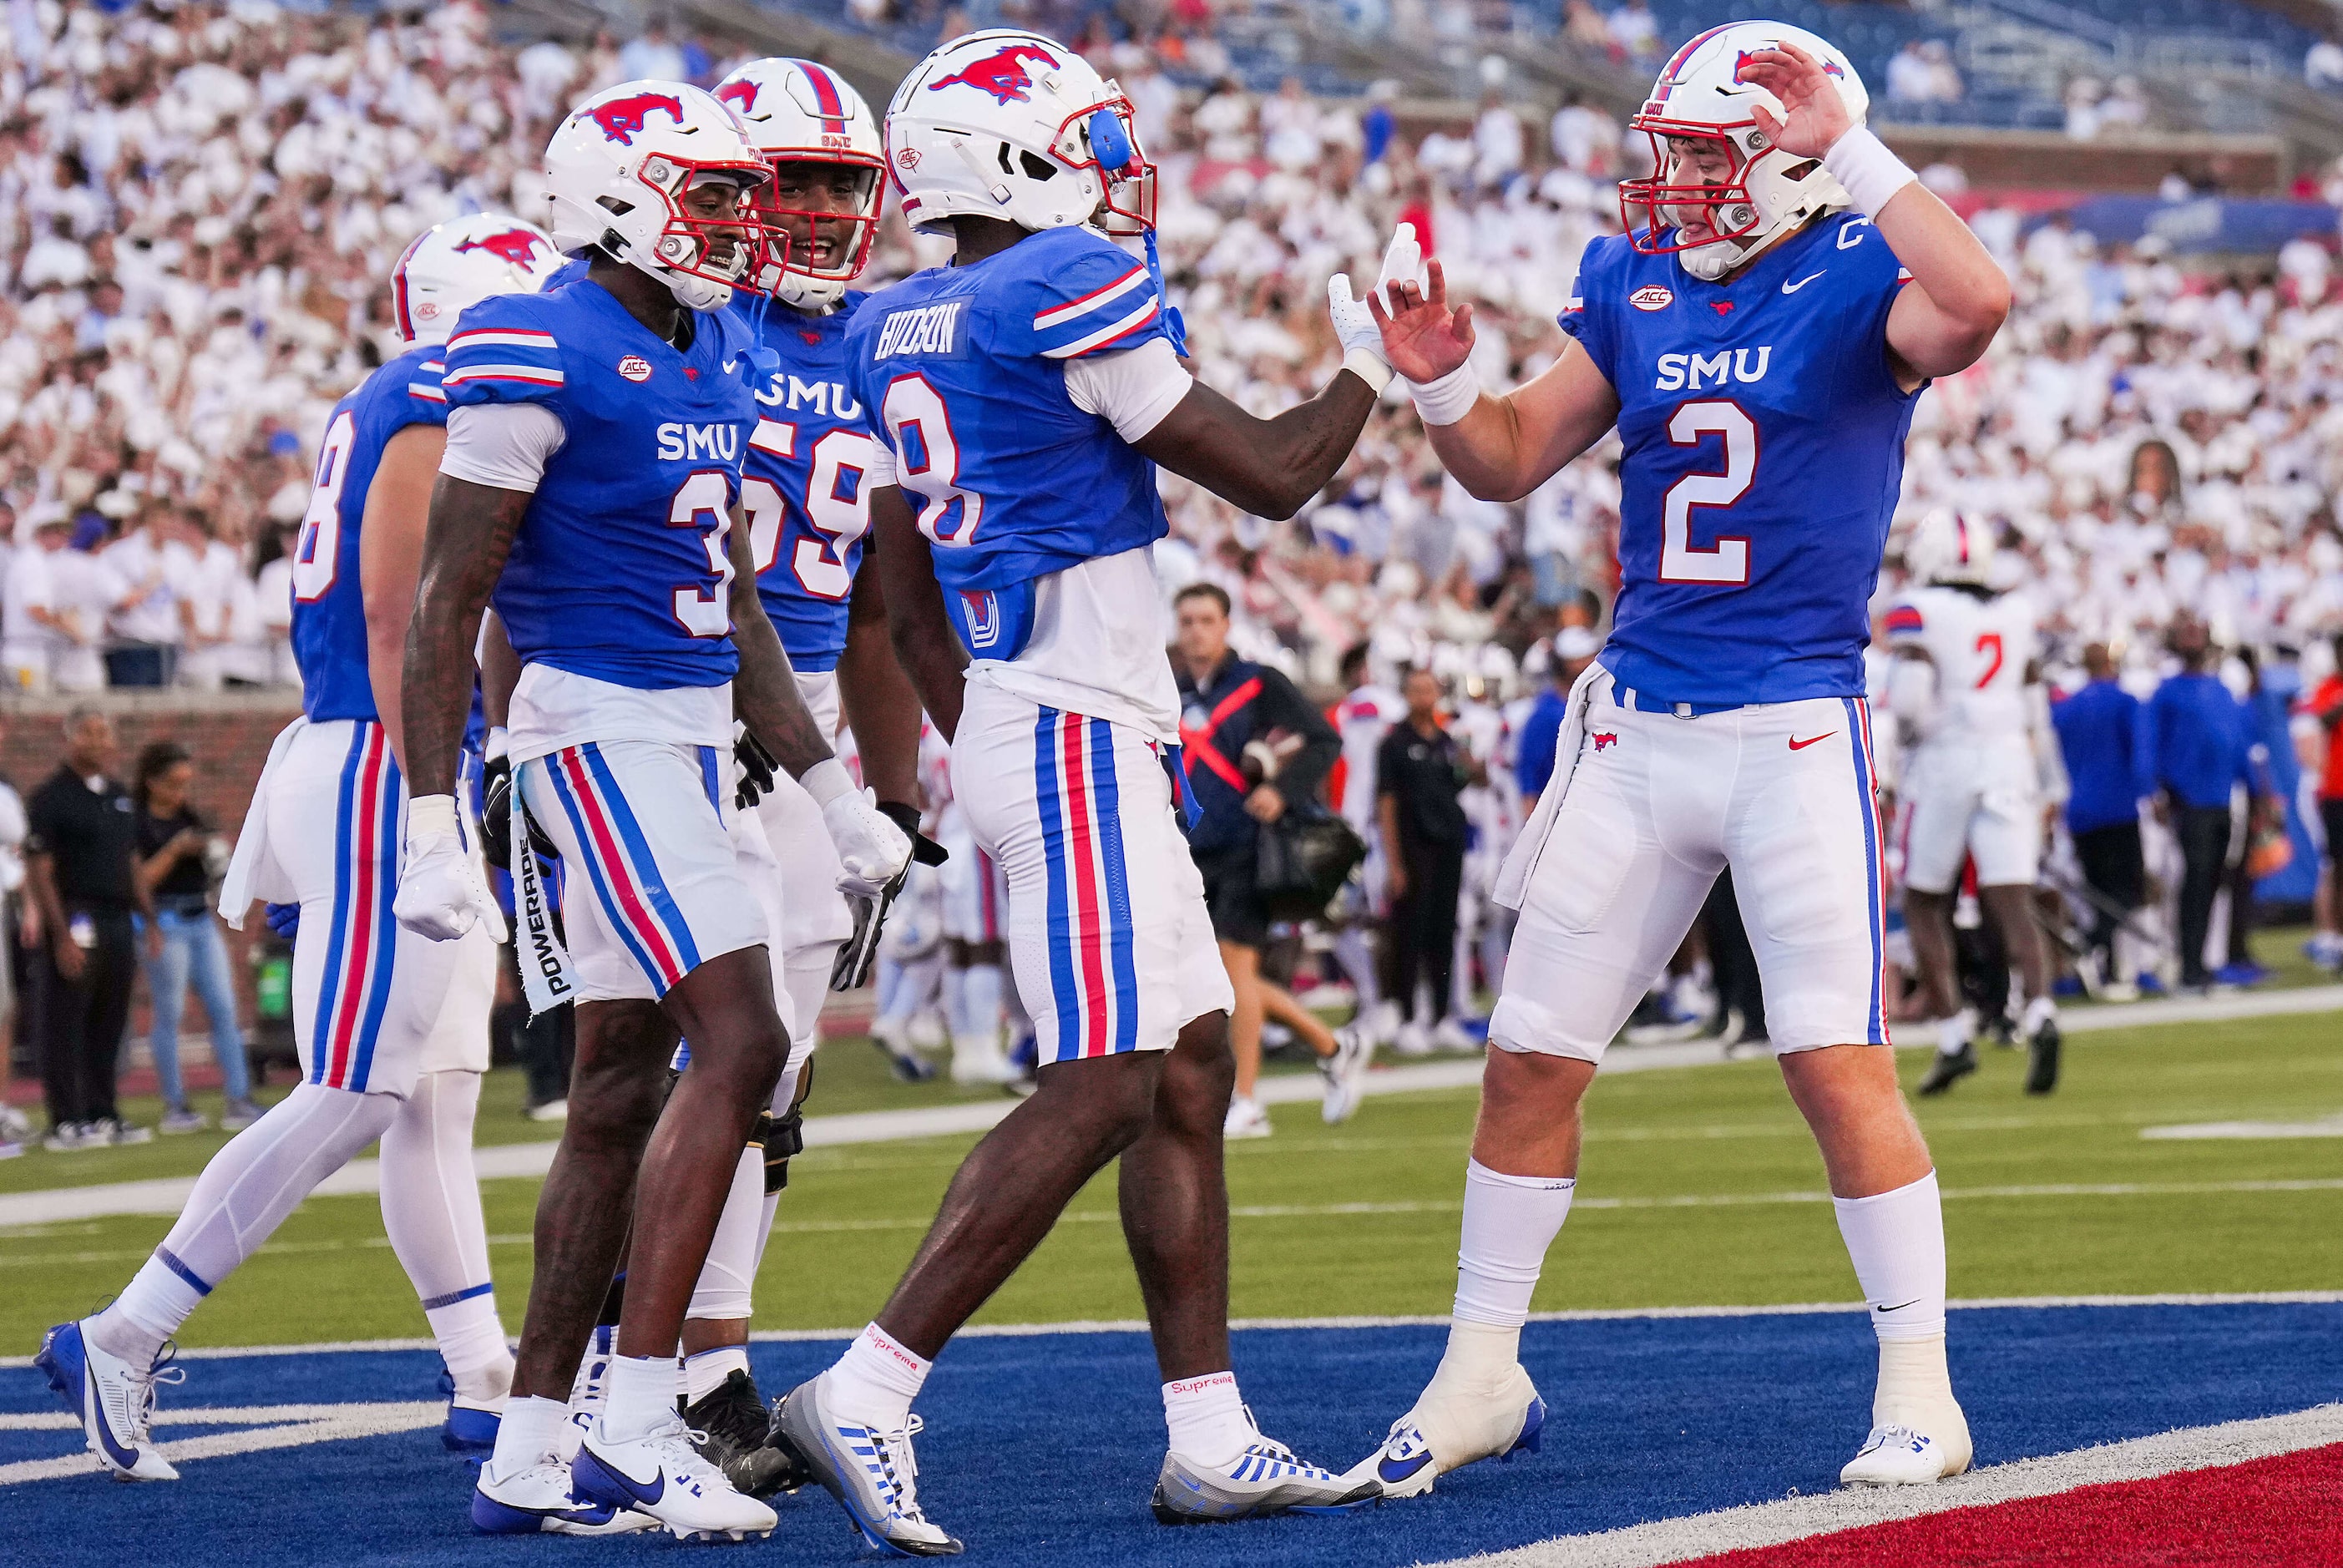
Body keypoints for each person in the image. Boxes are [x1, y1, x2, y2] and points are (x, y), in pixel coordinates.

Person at [1357, 23, 2009, 1491]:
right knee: (1527, 1060)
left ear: (1793, 157)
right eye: (1675, 152)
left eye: (1711, 154)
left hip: (1790, 726)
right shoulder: (1632, 276)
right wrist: (1447, 387)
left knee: (1834, 1063)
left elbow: (1976, 300)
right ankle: (1479, 1370)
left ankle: (1921, 1386)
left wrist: (1851, 145)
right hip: (1636, 724)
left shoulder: (1855, 266)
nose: (1679, 183)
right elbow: (1514, 452)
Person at [783, 29, 1395, 1551]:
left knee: (1190, 1062)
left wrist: (983, 723)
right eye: (1083, 141)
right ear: (1011, 158)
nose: (1111, 170)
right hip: (1065, 731)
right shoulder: (1054, 284)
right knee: (1115, 1072)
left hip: (1030, 716)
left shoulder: (895, 320)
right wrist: (1372, 373)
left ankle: (1209, 1433)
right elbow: (1265, 469)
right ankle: (869, 1380)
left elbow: (899, 604)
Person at [396, 85, 908, 1543]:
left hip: (689, 731)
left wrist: (832, 786)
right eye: (715, 195)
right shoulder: (533, 332)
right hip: (594, 723)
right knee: (740, 1039)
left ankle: (528, 1447)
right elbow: (451, 598)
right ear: (617, 195)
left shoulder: (710, 348)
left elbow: (739, 596)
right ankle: (637, 1419)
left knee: (621, 1082)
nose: (742, 224)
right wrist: (438, 812)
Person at [32, 215, 565, 1490]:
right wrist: (438, 789)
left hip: (383, 746)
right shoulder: (439, 389)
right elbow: (403, 613)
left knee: (432, 1097)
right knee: (357, 1088)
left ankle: (483, 1373)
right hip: (391, 753)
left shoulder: (399, 390)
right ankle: (121, 1332)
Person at [660, 53, 942, 1490]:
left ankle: (711, 1361)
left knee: (771, 1084)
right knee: (673, 1070)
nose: (827, 206)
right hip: (679, 732)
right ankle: (632, 1373)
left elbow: (884, 606)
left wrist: (884, 797)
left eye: (845, 179)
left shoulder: (886, 343)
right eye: (797, 178)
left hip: (804, 757)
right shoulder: (694, 327)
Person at [1170, 581, 1369, 1139]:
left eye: (1206, 619)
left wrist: (1282, 790)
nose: (1195, 630)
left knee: (1233, 973)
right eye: (1186, 621)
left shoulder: (1257, 681)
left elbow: (1322, 740)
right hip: (1190, 848)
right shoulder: (1170, 688)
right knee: (1215, 982)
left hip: (1248, 845)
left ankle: (1248, 1101)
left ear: (1227, 625)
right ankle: (1333, 1045)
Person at [1884, 511, 2062, 1098]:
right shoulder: (2016, 611)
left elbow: (1910, 700)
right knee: (2013, 898)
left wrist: (1914, 740)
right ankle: (2039, 1012)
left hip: (1946, 757)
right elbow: (2034, 699)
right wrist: (2043, 778)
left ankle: (1954, 1036)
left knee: (1925, 900)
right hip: (2010, 754)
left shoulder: (1918, 608)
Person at [23, 707, 154, 1151]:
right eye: (90, 733)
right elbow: (41, 870)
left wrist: (150, 919)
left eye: (105, 733)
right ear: (71, 738)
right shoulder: (51, 797)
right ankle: (66, 1118)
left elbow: (131, 861)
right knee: (65, 1017)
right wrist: (61, 936)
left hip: (118, 916)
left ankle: (104, 1110)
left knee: (110, 1017)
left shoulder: (118, 795)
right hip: (77, 913)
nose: (99, 742)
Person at [131, 741, 260, 1135]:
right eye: (173, 783)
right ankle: (175, 1103)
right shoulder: (138, 822)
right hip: (163, 918)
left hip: (200, 917)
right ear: (152, 782)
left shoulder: (193, 817)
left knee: (224, 1007)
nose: (180, 793)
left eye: (185, 784)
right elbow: (141, 880)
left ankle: (239, 1096)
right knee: (170, 1013)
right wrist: (175, 851)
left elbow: (221, 864)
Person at [2147, 620, 2266, 992]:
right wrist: (2155, 790)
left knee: (2216, 881)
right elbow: (2151, 744)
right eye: (2187, 635)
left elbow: (2239, 742)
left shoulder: (2220, 689)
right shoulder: (2166, 692)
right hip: (2188, 800)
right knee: (2195, 882)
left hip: (2222, 799)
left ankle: (2203, 961)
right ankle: (2189, 966)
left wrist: (2258, 791)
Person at [1376, 665, 1481, 1053]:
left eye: (1429, 690)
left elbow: (1470, 780)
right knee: (1410, 932)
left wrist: (1470, 755)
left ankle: (1441, 1016)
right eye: (1416, 690)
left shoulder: (1447, 741)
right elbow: (1385, 802)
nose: (1424, 698)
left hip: (1447, 844)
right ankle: (1407, 1017)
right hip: (1412, 846)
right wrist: (1394, 862)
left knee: (1444, 931)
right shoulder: (1394, 743)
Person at [2052, 643, 2155, 997]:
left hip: (2080, 809)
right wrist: (2148, 792)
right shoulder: (2125, 702)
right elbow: (2141, 754)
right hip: (2118, 806)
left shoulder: (2068, 708)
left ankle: (2107, 970)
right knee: (2126, 890)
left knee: (2096, 892)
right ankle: (2088, 945)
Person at [2296, 632, 2343, 974]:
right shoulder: (2327, 689)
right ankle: (2332, 937)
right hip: (2333, 791)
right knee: (2335, 867)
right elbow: (2319, 724)